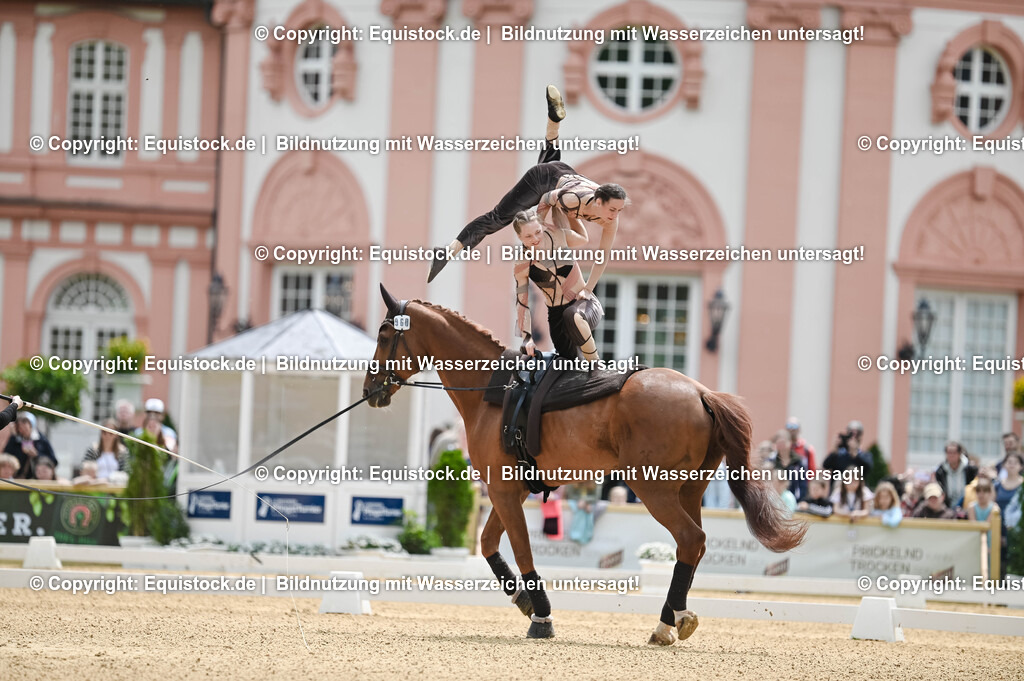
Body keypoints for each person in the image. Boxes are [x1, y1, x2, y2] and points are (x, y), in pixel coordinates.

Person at [428, 85, 627, 287]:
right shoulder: (572, 198)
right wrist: (537, 228)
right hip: (543, 180)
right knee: (497, 218)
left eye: (618, 211)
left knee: (549, 159)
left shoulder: (609, 219)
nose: (614, 216)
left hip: (562, 172)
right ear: (599, 201)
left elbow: (602, 257)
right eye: (612, 209)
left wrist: (588, 289)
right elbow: (546, 200)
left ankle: (554, 120)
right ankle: (447, 252)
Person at [512, 209, 602, 360]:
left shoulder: (559, 236)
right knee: (568, 365)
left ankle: (596, 364)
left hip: (583, 305)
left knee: (572, 316)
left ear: (542, 227)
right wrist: (527, 337)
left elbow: (583, 239)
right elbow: (522, 302)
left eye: (538, 232)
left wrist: (572, 215)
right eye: (528, 236)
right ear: (519, 237)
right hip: (556, 316)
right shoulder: (522, 264)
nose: (535, 238)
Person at [3, 412, 56, 478]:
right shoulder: (14, 439)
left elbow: (53, 460)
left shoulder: (41, 440)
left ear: (31, 425)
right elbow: (6, 457)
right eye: (19, 427)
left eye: (25, 425)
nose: (22, 429)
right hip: (18, 477)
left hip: (37, 479)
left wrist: (37, 455)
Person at [934, 440, 977, 509]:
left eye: (954, 453)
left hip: (966, 506)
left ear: (960, 453)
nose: (951, 455)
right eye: (949, 453)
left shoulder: (970, 469)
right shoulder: (941, 471)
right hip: (947, 507)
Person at [773, 429, 807, 501]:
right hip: (775, 500)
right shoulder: (772, 461)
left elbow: (802, 484)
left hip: (794, 500)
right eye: (779, 442)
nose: (781, 445)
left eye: (783, 441)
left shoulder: (798, 462)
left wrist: (800, 500)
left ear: (790, 442)